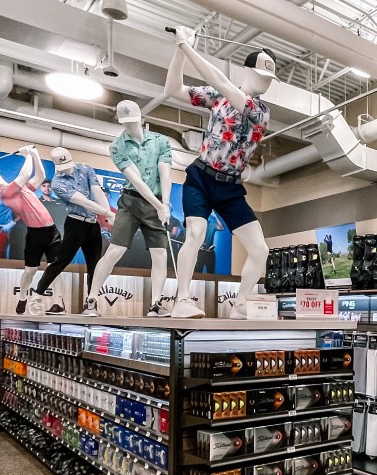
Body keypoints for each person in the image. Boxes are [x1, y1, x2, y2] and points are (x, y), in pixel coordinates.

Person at [165, 25, 275, 319]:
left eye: (269, 79)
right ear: (248, 71)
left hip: (230, 186)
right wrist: (179, 52)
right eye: (262, 76)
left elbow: (223, 82)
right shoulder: (217, 97)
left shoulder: (261, 111)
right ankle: (182, 299)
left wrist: (187, 47)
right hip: (201, 177)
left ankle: (241, 302)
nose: (266, 83)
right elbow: (173, 90)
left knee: (260, 249)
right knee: (196, 234)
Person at [83, 100, 173, 317]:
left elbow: (165, 173)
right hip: (132, 201)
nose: (130, 126)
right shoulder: (116, 146)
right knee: (115, 250)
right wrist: (160, 206)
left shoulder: (161, 141)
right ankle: (92, 299)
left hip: (158, 202)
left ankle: (155, 304)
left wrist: (166, 204)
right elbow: (138, 181)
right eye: (126, 122)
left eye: (133, 120)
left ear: (141, 118)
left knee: (160, 254)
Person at [28, 148, 115, 315]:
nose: (66, 169)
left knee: (95, 266)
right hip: (75, 224)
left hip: (92, 224)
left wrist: (106, 214)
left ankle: (91, 303)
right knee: (61, 261)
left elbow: (97, 192)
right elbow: (83, 202)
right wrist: (108, 213)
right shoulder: (57, 183)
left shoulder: (85, 168)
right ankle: (37, 296)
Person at [0, 146, 62, 312]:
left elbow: (39, 176)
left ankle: (59, 303)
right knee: (30, 270)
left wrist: (35, 153)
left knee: (55, 266)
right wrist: (27, 156)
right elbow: (24, 174)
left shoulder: (23, 188)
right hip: (35, 234)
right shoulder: (6, 193)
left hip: (52, 231)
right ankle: (23, 297)